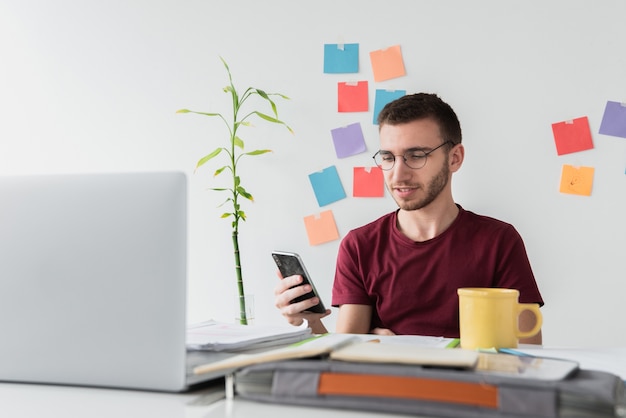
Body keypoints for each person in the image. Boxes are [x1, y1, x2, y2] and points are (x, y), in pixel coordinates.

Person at [274, 93, 544, 343]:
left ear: (455, 158)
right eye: (388, 157)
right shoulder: (360, 246)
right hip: (387, 392)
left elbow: (528, 351)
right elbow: (344, 353)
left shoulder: (499, 241)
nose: (398, 174)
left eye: (416, 156)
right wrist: (307, 320)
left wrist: (408, 348)